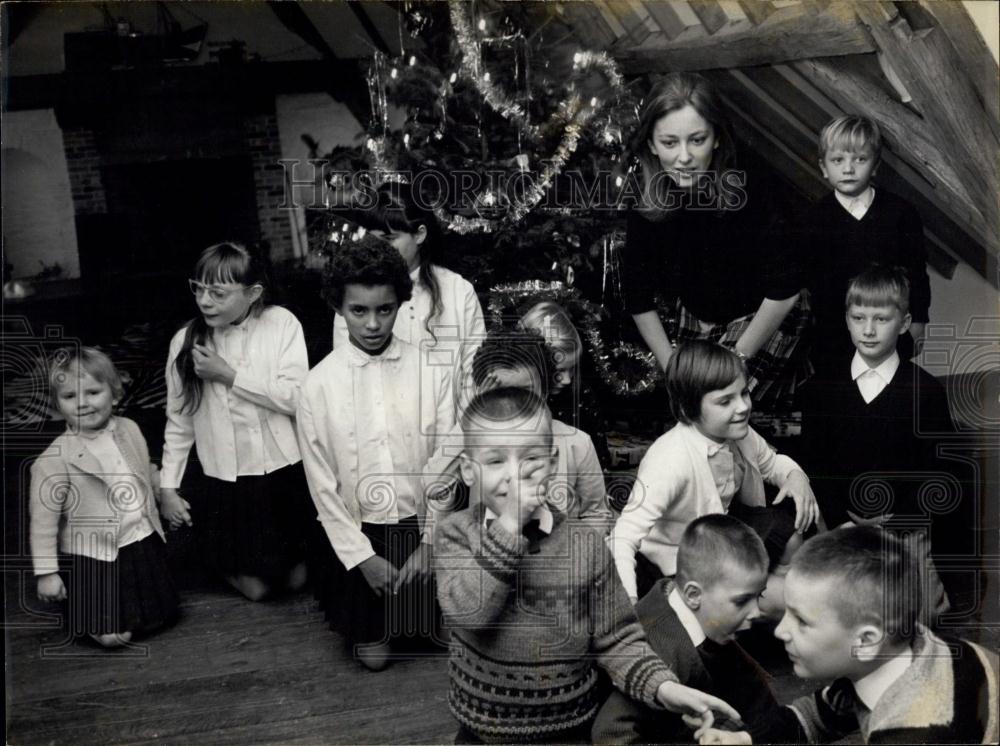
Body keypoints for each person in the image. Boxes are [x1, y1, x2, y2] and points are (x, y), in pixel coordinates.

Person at [434, 387, 742, 743]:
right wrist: (509, 526)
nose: (513, 476)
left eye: (530, 459)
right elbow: (468, 612)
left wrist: (665, 688)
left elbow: (617, 639)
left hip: (570, 729)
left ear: (551, 463)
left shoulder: (585, 545)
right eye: (495, 461)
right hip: (480, 731)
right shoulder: (456, 534)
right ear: (468, 471)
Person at [298, 234, 455, 671]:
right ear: (339, 307)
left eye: (384, 310)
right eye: (358, 311)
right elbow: (323, 489)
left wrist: (429, 544)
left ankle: (427, 607)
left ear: (401, 303)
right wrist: (362, 558)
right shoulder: (317, 387)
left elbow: (445, 466)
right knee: (375, 658)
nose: (372, 324)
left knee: (442, 641)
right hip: (360, 534)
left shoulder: (432, 371)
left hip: (422, 526)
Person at [700, 526, 998, 744]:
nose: (780, 630)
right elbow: (816, 717)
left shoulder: (919, 731)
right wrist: (746, 739)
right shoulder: (891, 655)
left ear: (866, 640)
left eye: (801, 620)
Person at [622, 72, 807, 407]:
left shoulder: (753, 184)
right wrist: (672, 367)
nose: (684, 157)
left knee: (719, 402)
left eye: (697, 140)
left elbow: (784, 290)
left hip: (763, 313)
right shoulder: (643, 195)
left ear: (717, 138)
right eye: (669, 143)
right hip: (697, 314)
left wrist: (736, 359)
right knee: (688, 406)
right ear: (650, 143)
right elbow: (637, 295)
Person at [799, 265, 964, 614]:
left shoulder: (926, 392)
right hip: (839, 528)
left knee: (913, 619)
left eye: (881, 319)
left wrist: (900, 521)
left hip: (904, 533)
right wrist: (839, 518)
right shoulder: (821, 388)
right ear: (846, 320)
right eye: (859, 318)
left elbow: (941, 472)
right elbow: (814, 463)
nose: (869, 330)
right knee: (838, 617)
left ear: (903, 323)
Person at [609, 341, 819, 607]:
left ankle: (779, 592)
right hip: (678, 556)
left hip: (722, 527)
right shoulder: (670, 461)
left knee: (791, 533)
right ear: (688, 410)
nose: (742, 407)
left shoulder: (738, 432)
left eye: (744, 393)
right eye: (725, 401)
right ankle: (763, 603)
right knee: (727, 602)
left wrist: (795, 476)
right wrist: (627, 602)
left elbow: (771, 463)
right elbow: (623, 537)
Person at [160, 242, 313, 602]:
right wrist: (168, 487)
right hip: (228, 482)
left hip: (282, 471)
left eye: (218, 292)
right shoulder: (185, 341)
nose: (204, 301)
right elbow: (179, 420)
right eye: (198, 288)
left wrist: (230, 376)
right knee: (259, 591)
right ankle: (215, 560)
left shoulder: (281, 324)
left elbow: (297, 399)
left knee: (296, 581)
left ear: (253, 293)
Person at [593, 514, 788, 745]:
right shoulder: (658, 645)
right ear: (693, 595)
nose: (755, 612)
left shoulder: (707, 622)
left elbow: (755, 697)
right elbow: (609, 732)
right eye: (742, 601)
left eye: (759, 595)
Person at [31, 347, 178, 647]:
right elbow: (43, 522)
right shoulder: (53, 460)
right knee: (113, 636)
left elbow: (145, 467)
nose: (83, 404)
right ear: (57, 406)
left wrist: (165, 494)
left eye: (93, 392)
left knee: (163, 613)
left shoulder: (129, 429)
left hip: (138, 538)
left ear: (114, 394)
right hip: (95, 553)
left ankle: (138, 608)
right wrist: (46, 571)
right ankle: (90, 614)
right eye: (70, 397)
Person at [422, 325, 609, 521]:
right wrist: (478, 416)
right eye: (502, 392)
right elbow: (433, 485)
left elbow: (596, 513)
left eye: (526, 391)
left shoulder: (577, 444)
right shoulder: (478, 444)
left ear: (544, 389)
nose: (515, 403)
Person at [797, 115, 931, 373]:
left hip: (888, 332)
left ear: (876, 165)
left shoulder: (901, 213)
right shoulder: (811, 219)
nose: (848, 169)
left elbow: (917, 272)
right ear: (823, 167)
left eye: (860, 159)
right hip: (832, 337)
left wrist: (919, 322)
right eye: (838, 160)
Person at [333, 180, 486, 388]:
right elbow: (346, 373)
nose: (379, 249)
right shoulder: (355, 297)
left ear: (419, 234)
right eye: (373, 239)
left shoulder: (458, 290)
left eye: (389, 239)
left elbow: (474, 372)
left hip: (452, 417)